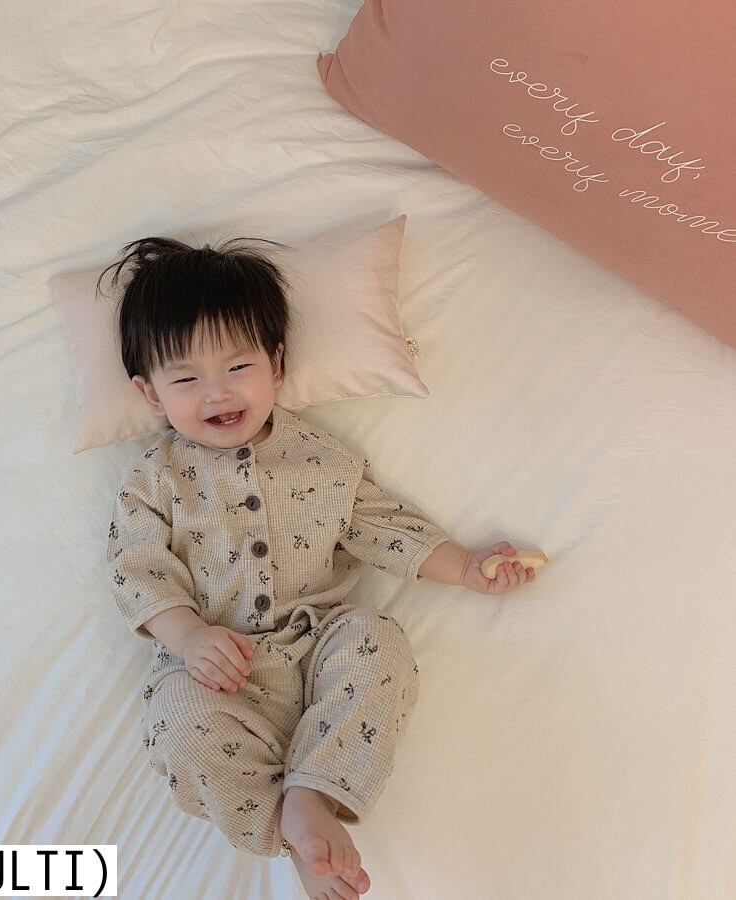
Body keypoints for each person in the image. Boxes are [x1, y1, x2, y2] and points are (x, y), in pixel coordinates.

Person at [99, 235, 536, 900]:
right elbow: (135, 569)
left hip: (318, 649)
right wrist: (188, 638)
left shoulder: (322, 458)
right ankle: (290, 828)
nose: (216, 392)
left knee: (378, 639)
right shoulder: (155, 480)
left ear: (276, 364)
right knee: (177, 723)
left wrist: (467, 567)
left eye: (238, 366)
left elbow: (384, 526)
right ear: (149, 393)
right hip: (216, 674)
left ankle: (313, 793)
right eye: (185, 379)